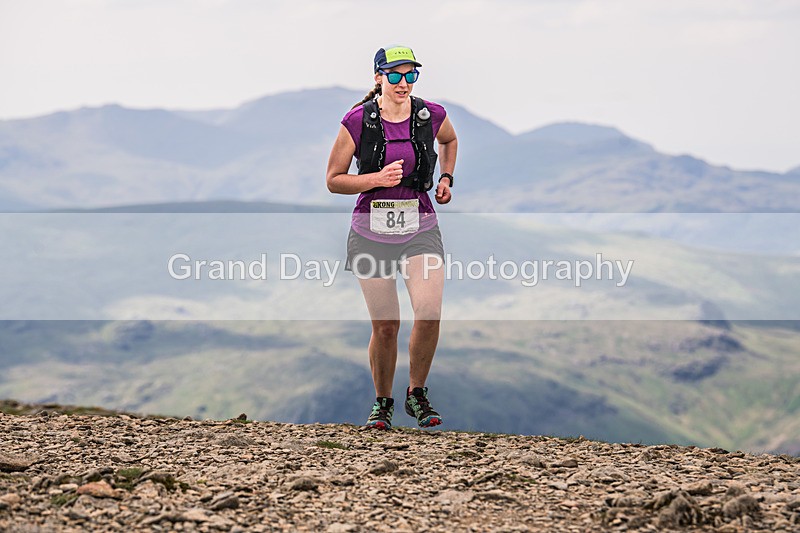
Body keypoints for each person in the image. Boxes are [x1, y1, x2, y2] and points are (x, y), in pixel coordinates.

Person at [326, 45, 458, 430]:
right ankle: (382, 402)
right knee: (386, 325)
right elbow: (333, 180)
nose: (403, 83)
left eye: (410, 75)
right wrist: (376, 180)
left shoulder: (431, 115)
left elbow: (449, 141)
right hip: (371, 232)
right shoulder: (357, 121)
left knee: (429, 314)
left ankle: (417, 395)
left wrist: (446, 178)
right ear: (378, 77)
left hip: (420, 228)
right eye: (395, 75)